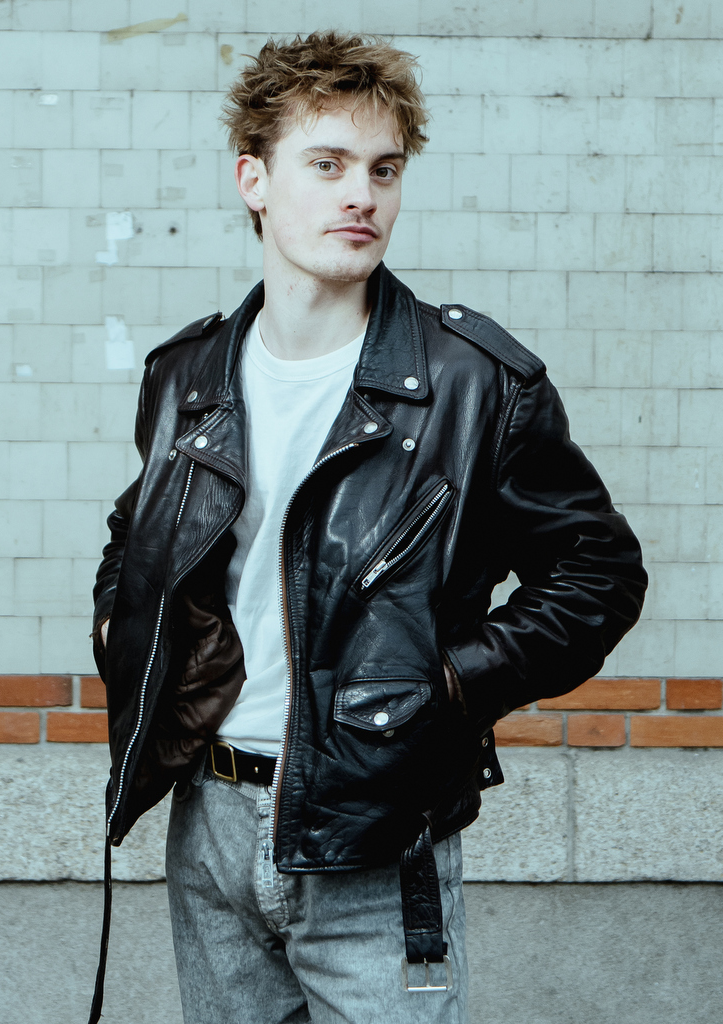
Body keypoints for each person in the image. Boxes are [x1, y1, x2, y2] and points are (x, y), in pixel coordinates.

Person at [89, 31, 647, 1024]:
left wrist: (450, 681)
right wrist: (121, 632)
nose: (363, 195)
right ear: (254, 180)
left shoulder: (475, 385)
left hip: (377, 830)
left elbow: (598, 572)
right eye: (329, 164)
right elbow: (136, 536)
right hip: (209, 821)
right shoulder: (187, 377)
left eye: (384, 170)